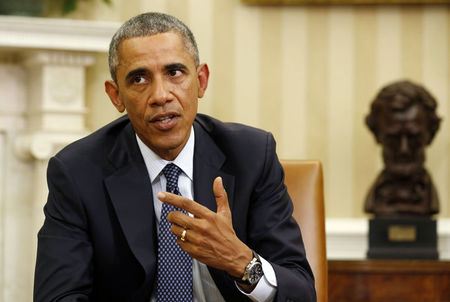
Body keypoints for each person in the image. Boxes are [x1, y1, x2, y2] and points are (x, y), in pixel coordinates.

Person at [34, 12, 315, 302]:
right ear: (116, 95)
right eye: (139, 78)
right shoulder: (77, 172)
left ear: (201, 80)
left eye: (174, 73)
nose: (160, 95)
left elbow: (301, 292)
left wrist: (240, 261)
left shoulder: (252, 156)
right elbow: (58, 296)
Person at [364, 80, 441, 217]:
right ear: (377, 135)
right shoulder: (377, 196)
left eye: (413, 138)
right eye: (393, 138)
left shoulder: (428, 196)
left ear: (430, 135)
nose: (403, 149)